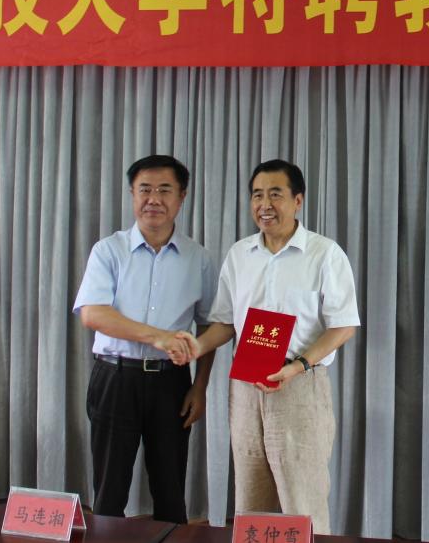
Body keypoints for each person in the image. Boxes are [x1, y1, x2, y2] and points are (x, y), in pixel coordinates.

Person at [172, 159, 359, 535]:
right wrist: (196, 346)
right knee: (251, 495)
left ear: (298, 200)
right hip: (246, 384)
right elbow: (226, 322)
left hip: (299, 384)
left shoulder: (324, 254)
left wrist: (298, 365)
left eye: (276, 194)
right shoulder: (240, 254)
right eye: (257, 195)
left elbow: (343, 326)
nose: (264, 204)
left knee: (303, 497)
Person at [73, 154, 216, 524]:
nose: (154, 199)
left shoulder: (199, 258)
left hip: (171, 383)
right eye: (145, 190)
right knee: (109, 491)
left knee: (170, 490)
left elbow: (208, 327)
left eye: (165, 190)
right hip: (115, 378)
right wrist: (159, 337)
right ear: (132, 195)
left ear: (182, 197)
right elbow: (93, 314)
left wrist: (199, 387)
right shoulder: (109, 250)